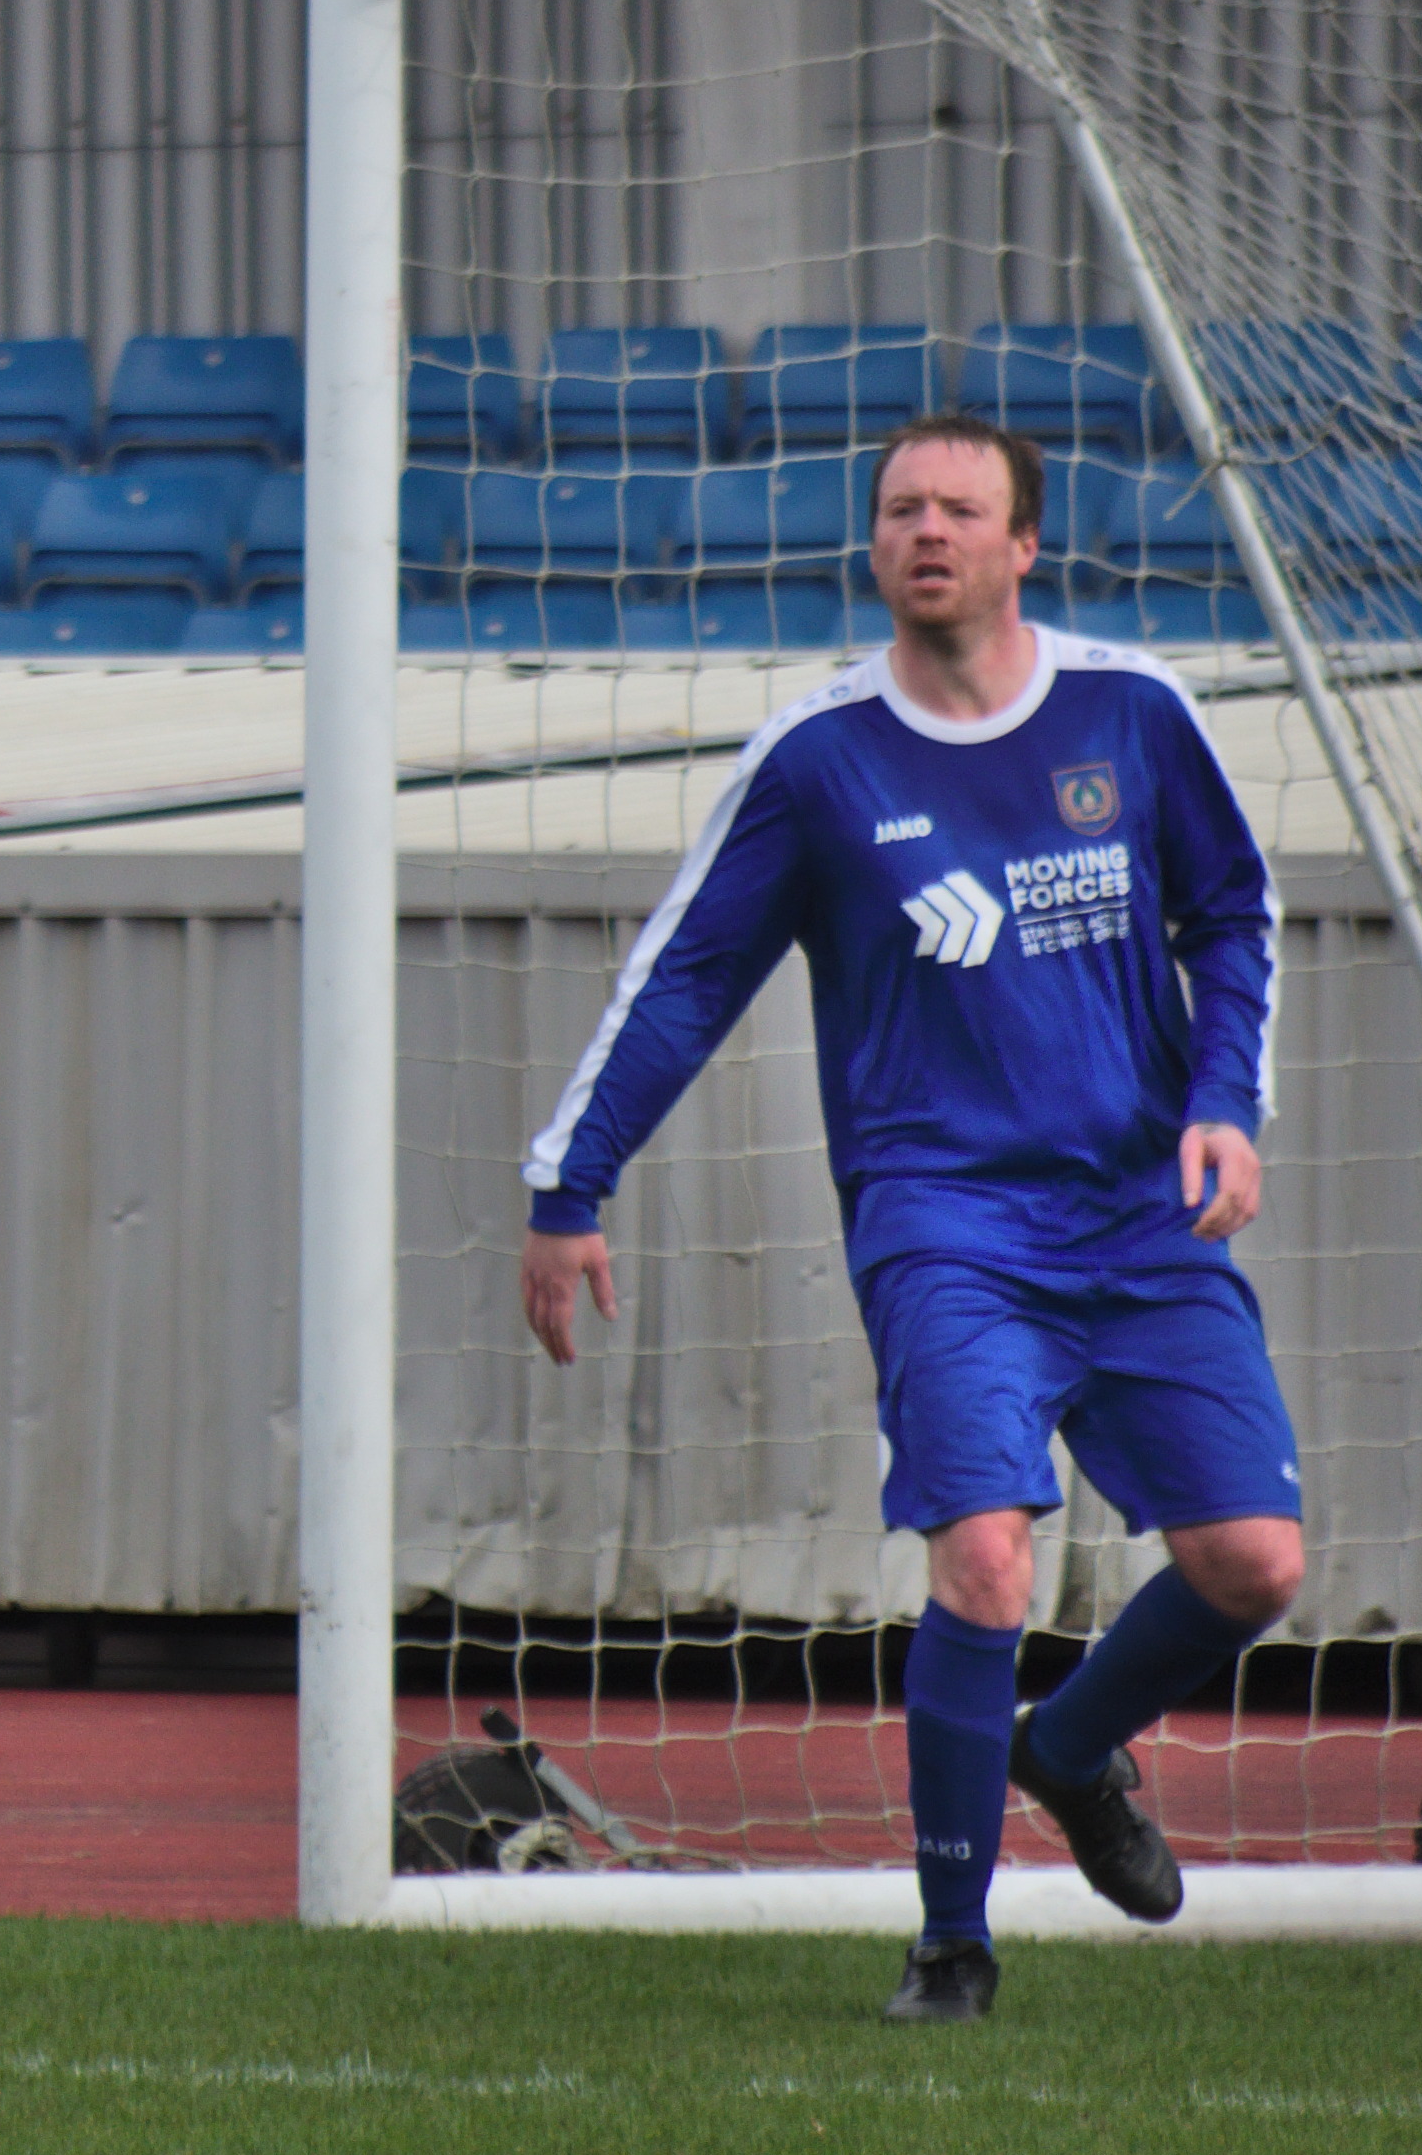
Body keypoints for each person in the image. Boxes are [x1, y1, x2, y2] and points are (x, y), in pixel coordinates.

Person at [517, 415, 1304, 2026]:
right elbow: (684, 984)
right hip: (943, 1221)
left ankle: (1069, 1750)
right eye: (899, 509)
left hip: (1142, 1214)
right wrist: (568, 1184)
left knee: (1254, 1566)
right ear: (871, 546)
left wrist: (1226, 1092)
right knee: (986, 1565)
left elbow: (1232, 912)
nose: (926, 530)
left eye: (961, 507)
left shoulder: (1132, 713)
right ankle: (954, 1943)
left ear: (1026, 545)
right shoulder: (820, 763)